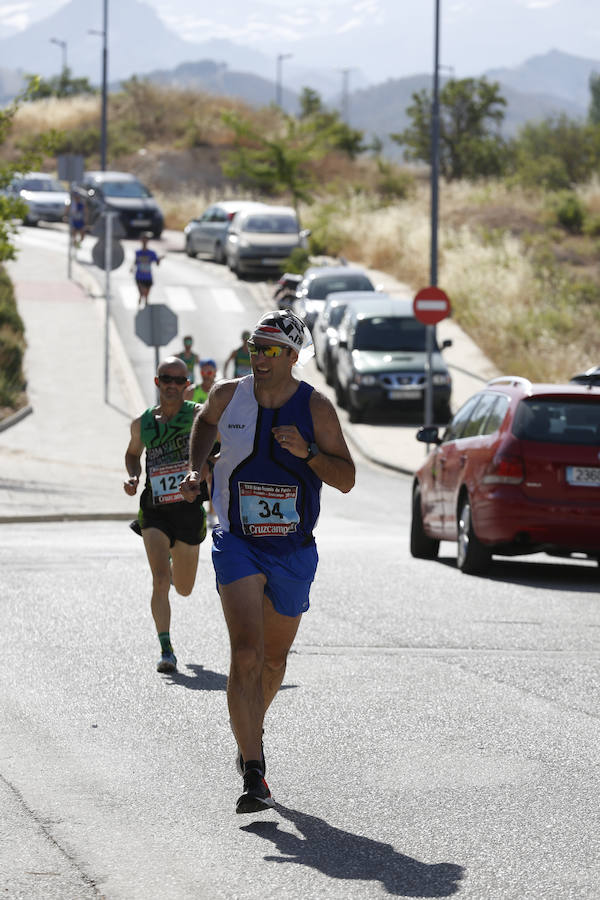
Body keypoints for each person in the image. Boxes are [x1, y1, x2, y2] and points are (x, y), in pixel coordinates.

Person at [180, 309, 355, 814]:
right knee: (246, 653)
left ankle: (247, 733)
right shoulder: (226, 395)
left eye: (270, 349)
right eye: (255, 346)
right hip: (237, 540)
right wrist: (198, 470)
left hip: (293, 550)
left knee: (274, 662)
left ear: (294, 357)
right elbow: (204, 422)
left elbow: (345, 478)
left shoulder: (316, 408)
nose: (258, 356)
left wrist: (306, 455)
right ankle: (254, 771)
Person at [123, 356, 209, 674]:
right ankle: (166, 650)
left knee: (183, 588)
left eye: (179, 380)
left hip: (187, 510)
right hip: (154, 509)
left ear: (187, 386)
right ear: (157, 382)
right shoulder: (142, 422)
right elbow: (133, 454)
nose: (172, 385)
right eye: (166, 379)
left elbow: (222, 446)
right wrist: (133, 476)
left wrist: (202, 472)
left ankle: (174, 567)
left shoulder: (199, 416)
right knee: (160, 580)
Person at [132, 232, 161, 307]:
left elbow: (157, 263)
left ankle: (145, 307)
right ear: (141, 240)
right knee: (142, 293)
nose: (144, 241)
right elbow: (135, 262)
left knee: (146, 296)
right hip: (139, 276)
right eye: (143, 239)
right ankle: (140, 304)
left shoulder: (152, 253)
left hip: (148, 277)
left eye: (146, 239)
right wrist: (132, 268)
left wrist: (159, 260)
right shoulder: (138, 252)